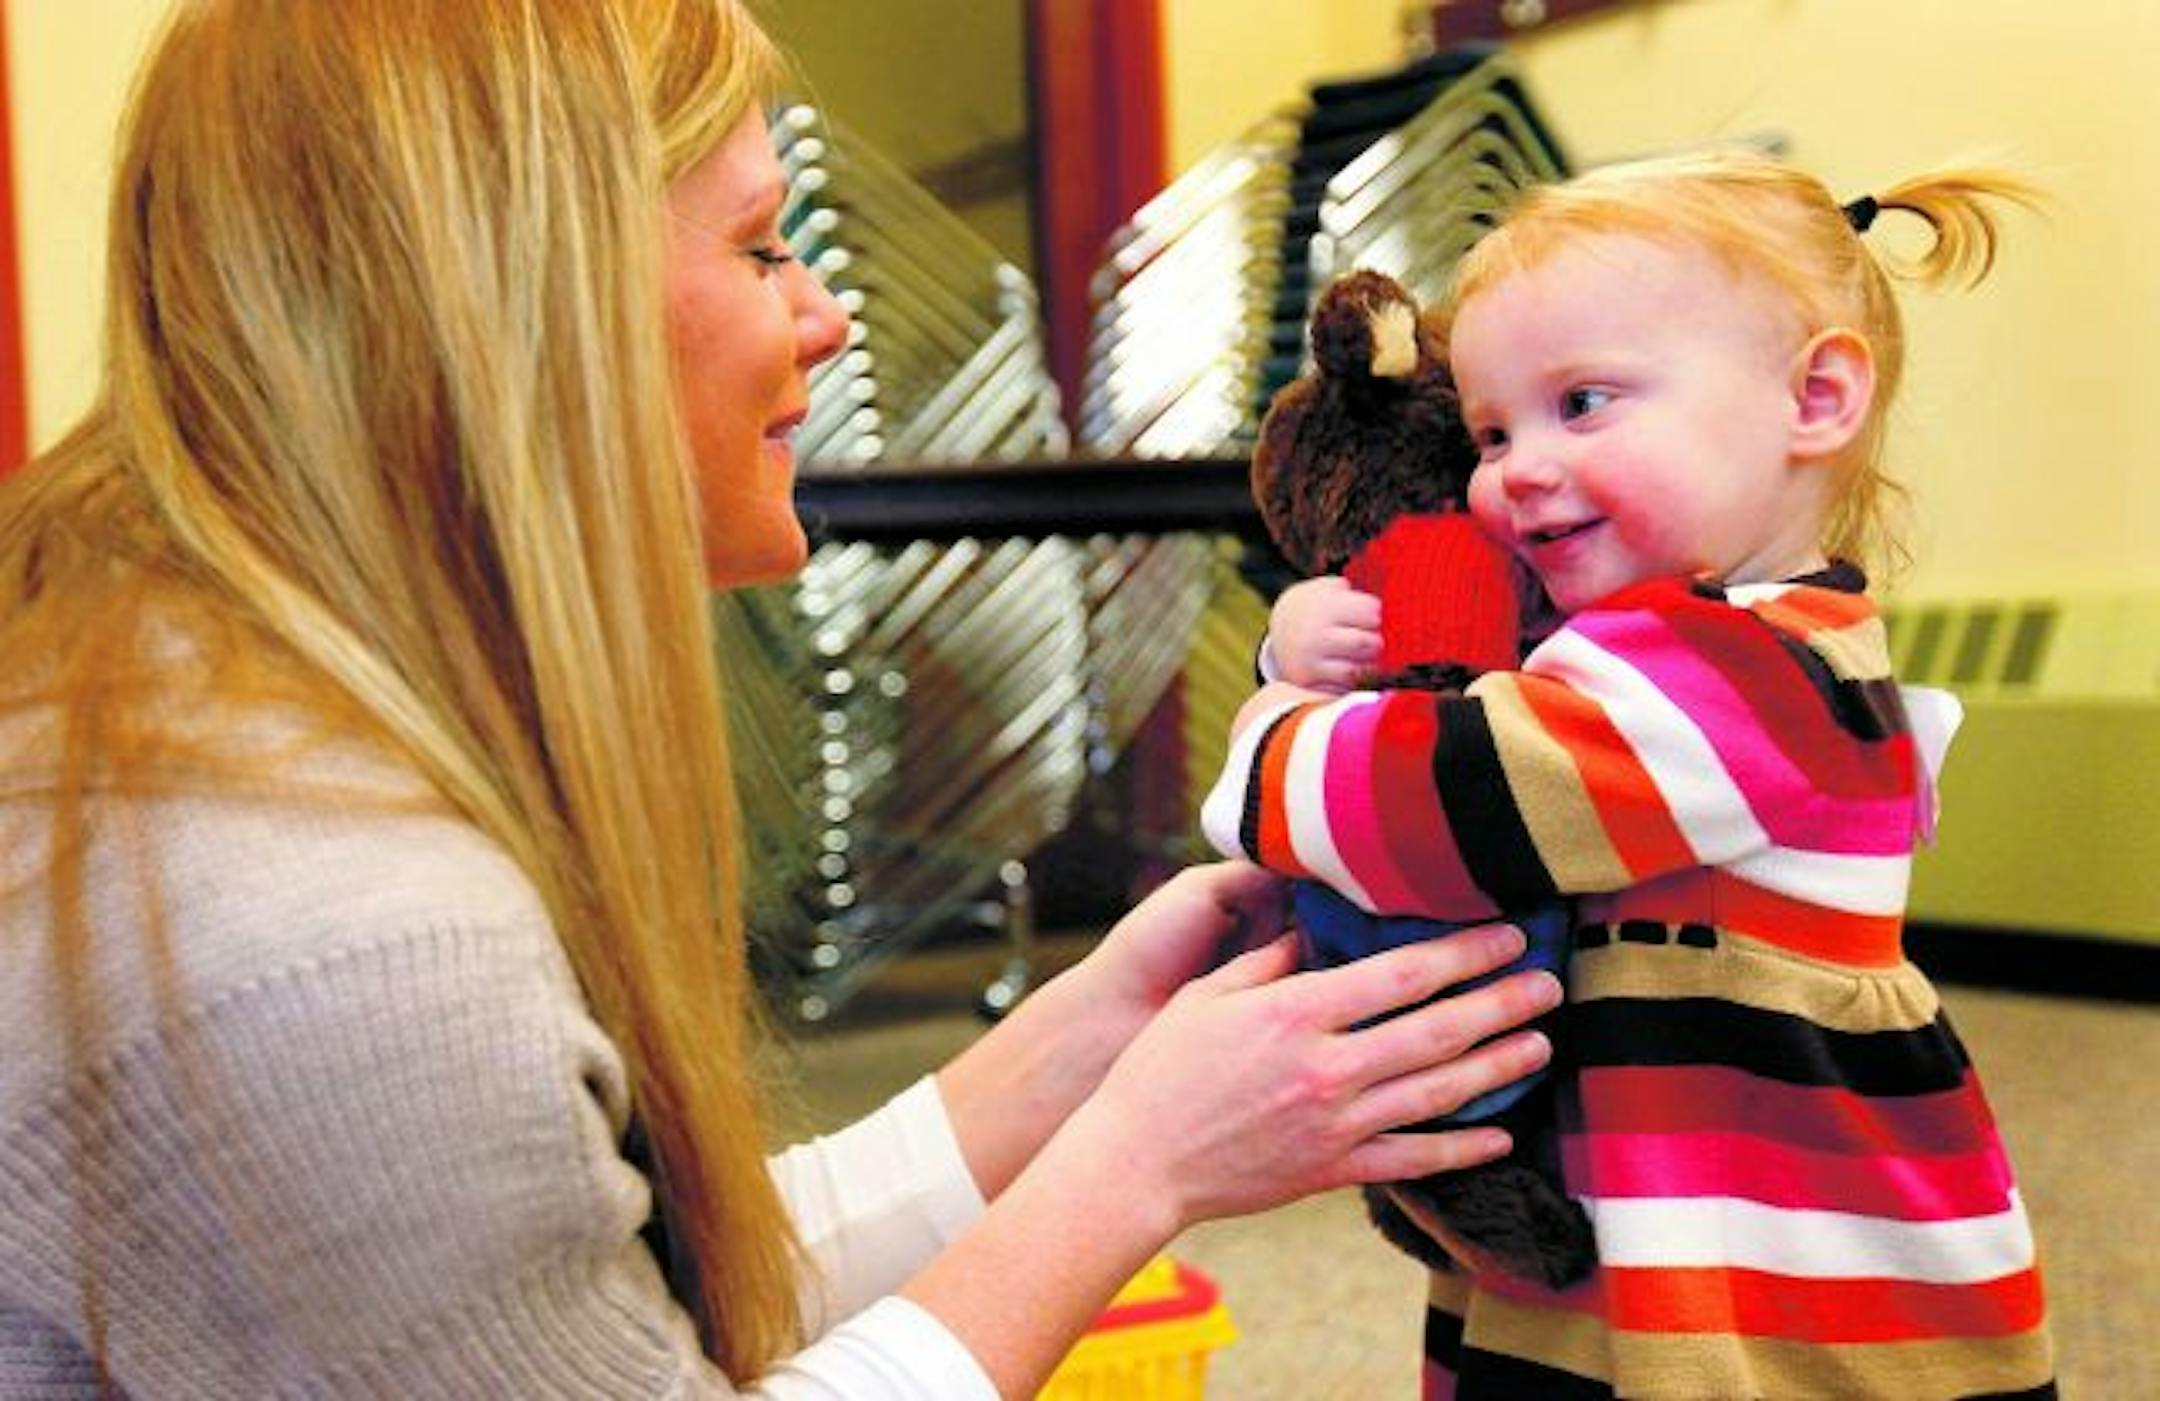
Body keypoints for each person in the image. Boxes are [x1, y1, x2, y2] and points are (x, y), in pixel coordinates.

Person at [0, 2, 1566, 1397]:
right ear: (535, 302)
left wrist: (1083, 1049)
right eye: (762, 249)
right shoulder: (336, 933)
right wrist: (1138, 1167)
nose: (824, 315)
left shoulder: (225, 726)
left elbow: (617, 1313)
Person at [1202, 148, 2056, 1398]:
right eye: (1492, 431)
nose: (1515, 470)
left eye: (1584, 403)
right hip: (1633, 1212)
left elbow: (1439, 798)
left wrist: (1271, 729)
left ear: (1814, 399)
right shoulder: (1636, 648)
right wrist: (1312, 644)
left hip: (1757, 1279)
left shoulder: (1754, 673)